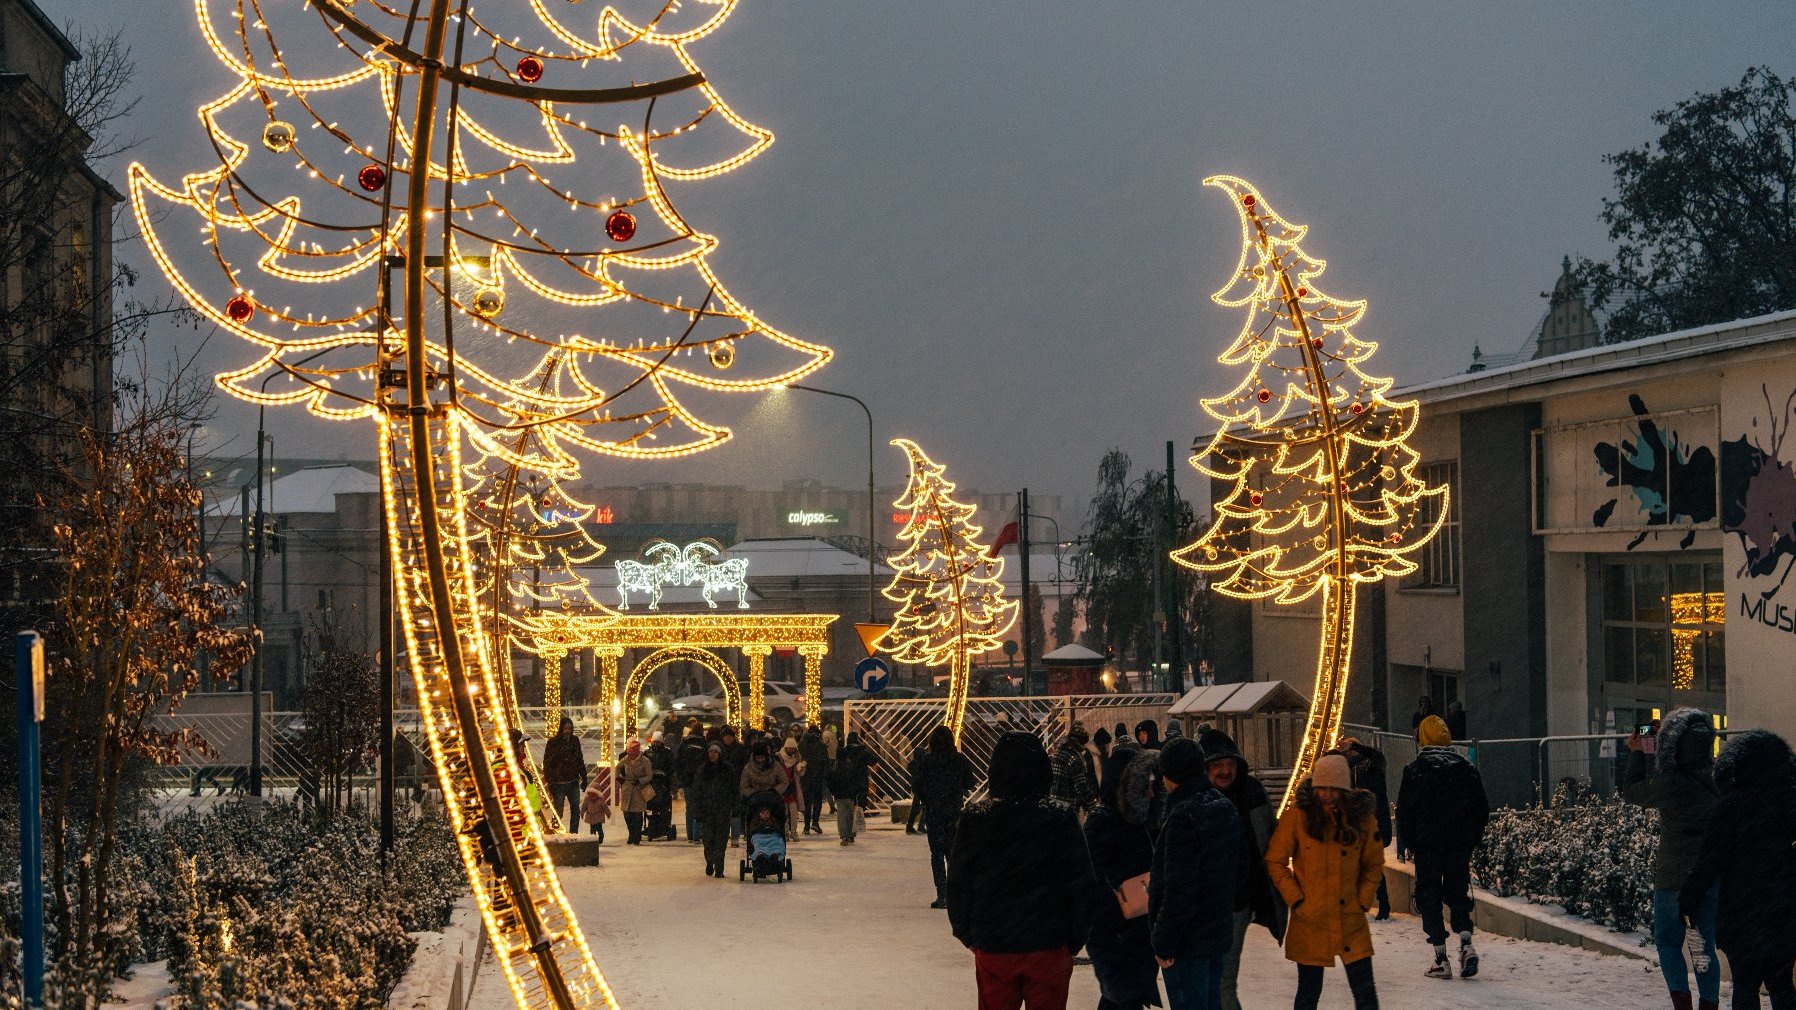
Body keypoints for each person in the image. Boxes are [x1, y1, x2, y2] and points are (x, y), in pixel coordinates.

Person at [947, 731, 1099, 1010]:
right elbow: (1083, 884)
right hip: (1049, 945)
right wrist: (1074, 939)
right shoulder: (1060, 817)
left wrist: (968, 934)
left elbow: (958, 883)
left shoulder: (976, 819)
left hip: (995, 943)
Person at [1680, 730, 1796, 1010]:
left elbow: (1711, 858)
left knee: (1745, 985)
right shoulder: (1791, 801)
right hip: (1785, 909)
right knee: (1782, 985)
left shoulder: (1732, 805)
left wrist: (1688, 898)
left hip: (1743, 910)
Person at [1265, 754, 1385, 1010]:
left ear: (1345, 790)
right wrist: (1295, 898)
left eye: (1335, 789)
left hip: (1350, 919)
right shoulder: (1298, 818)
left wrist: (1363, 900)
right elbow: (1275, 861)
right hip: (1310, 919)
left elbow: (1373, 864)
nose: (1328, 795)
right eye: (1323, 788)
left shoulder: (1361, 820)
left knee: (1365, 994)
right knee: (1308, 994)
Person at [1624, 708, 1722, 1010]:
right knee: (1703, 945)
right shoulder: (1718, 778)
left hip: (1672, 878)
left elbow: (1633, 791)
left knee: (1668, 943)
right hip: (1708, 877)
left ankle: (1682, 1003)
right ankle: (1709, 1004)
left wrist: (1640, 752)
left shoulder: (1670, 783)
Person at [1150, 737, 1247, 1010]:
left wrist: (1164, 941)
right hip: (1217, 933)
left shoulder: (1183, 817)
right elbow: (1241, 871)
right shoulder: (1222, 805)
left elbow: (1179, 889)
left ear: (1171, 774)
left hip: (1187, 942)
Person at [1396, 715, 1489, 980]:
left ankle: (1440, 957)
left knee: (1429, 897)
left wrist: (1413, 843)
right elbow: (1480, 808)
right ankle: (1466, 943)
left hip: (1428, 847)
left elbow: (1404, 813)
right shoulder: (1466, 768)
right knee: (1457, 893)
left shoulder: (1415, 770)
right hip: (1458, 845)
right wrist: (1470, 839)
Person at [1200, 729, 1281, 1010]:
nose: (1225, 771)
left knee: (1222, 981)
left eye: (1230, 765)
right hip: (1201, 905)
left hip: (1237, 904)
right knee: (1205, 982)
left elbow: (1273, 840)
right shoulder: (1195, 798)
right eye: (1217, 766)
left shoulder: (1251, 793)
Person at [1083, 748, 1162, 1010]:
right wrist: (1116, 917)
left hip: (1138, 930)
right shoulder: (1103, 821)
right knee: (1122, 997)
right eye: (1146, 786)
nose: (1152, 793)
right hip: (1117, 932)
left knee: (1123, 998)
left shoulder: (1144, 822)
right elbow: (1090, 878)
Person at [915, 725, 976, 909]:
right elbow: (970, 782)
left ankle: (941, 894)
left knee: (936, 854)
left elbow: (917, 785)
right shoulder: (958, 760)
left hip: (934, 813)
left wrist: (928, 798)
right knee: (952, 853)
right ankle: (954, 893)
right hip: (953, 813)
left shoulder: (927, 761)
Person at [1336, 736, 1392, 920]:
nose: (1349, 753)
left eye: (1351, 750)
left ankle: (1382, 903)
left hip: (1374, 824)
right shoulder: (1345, 770)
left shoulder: (1372, 765)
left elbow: (1377, 755)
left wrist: (1355, 746)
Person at [691, 742, 738, 878]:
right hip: (707, 809)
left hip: (723, 808)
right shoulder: (702, 770)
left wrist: (735, 806)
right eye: (710, 751)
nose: (712, 754)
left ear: (720, 753)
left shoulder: (728, 769)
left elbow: (734, 789)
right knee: (708, 838)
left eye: (715, 751)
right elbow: (697, 791)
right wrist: (698, 809)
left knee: (721, 839)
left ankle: (719, 867)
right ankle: (710, 861)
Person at [541, 716, 587, 832]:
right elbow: (547, 763)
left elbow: (579, 759)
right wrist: (550, 780)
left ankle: (573, 832)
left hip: (572, 781)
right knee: (558, 810)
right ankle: (554, 831)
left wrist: (584, 777)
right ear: (561, 728)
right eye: (566, 728)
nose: (568, 731)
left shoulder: (574, 741)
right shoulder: (553, 742)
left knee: (575, 809)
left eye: (570, 728)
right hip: (558, 782)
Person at [831, 731, 873, 845]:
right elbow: (873, 760)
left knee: (842, 815)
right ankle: (852, 833)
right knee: (853, 811)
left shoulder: (839, 761)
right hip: (857, 786)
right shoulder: (862, 752)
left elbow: (832, 780)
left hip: (840, 794)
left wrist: (833, 791)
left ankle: (844, 836)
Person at [1051, 724, 1097, 814]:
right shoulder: (1074, 758)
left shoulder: (1058, 752)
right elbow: (1081, 786)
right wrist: (1093, 805)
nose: (1083, 747)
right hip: (1068, 805)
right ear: (1079, 743)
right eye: (1083, 744)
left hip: (1054, 802)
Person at [677, 719, 708, 845]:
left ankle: (690, 834)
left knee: (689, 806)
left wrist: (681, 777)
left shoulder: (684, 742)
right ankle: (697, 834)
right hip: (700, 779)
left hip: (687, 779)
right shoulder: (704, 743)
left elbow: (678, 760)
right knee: (699, 805)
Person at [618, 738, 653, 845]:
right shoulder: (626, 759)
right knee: (627, 813)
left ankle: (636, 835)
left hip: (639, 790)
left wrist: (640, 780)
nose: (630, 756)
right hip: (627, 788)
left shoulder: (645, 761)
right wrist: (619, 779)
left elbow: (649, 776)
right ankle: (631, 833)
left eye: (632, 754)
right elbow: (617, 768)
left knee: (638, 815)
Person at [718, 725, 748, 847]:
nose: (728, 739)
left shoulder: (740, 749)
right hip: (722, 784)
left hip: (736, 784)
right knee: (723, 813)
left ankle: (735, 837)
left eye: (730, 736)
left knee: (736, 811)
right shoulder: (719, 749)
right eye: (726, 736)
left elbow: (744, 765)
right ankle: (723, 836)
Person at [799, 724, 830, 833]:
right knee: (817, 801)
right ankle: (815, 823)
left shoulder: (802, 745)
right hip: (818, 778)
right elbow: (826, 763)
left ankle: (806, 826)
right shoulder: (821, 746)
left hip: (805, 778)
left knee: (807, 802)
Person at [739, 738, 789, 806]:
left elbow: (784, 781)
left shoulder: (775, 765)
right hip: (754, 801)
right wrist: (754, 791)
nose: (760, 760)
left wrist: (774, 791)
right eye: (758, 758)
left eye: (762, 757)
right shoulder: (748, 768)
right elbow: (743, 787)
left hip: (772, 799)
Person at [646, 730, 676, 841]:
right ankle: (656, 824)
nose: (655, 744)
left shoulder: (667, 753)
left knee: (662, 804)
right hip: (652, 785)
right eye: (654, 742)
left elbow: (672, 767)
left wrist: (666, 776)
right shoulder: (648, 753)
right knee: (654, 802)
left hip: (663, 784)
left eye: (657, 742)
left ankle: (662, 824)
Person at [780, 737, 806, 840]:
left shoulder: (797, 759)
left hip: (793, 789)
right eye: (790, 748)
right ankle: (786, 833)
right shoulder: (780, 757)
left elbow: (801, 774)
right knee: (784, 812)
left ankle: (794, 832)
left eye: (793, 748)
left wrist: (801, 769)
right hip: (783, 789)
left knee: (794, 813)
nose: (791, 750)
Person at [580, 765, 610, 841]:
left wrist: (608, 813)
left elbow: (605, 807)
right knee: (592, 829)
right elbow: (583, 806)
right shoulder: (587, 799)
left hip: (599, 817)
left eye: (594, 794)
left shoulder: (600, 800)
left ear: (597, 794)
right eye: (590, 794)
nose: (592, 796)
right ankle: (593, 839)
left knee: (599, 828)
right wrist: (582, 812)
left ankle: (601, 837)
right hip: (590, 816)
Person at [907, 742, 930, 834]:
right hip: (923, 788)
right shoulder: (925, 763)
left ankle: (911, 825)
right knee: (924, 807)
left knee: (916, 807)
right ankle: (920, 825)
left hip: (917, 788)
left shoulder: (913, 763)